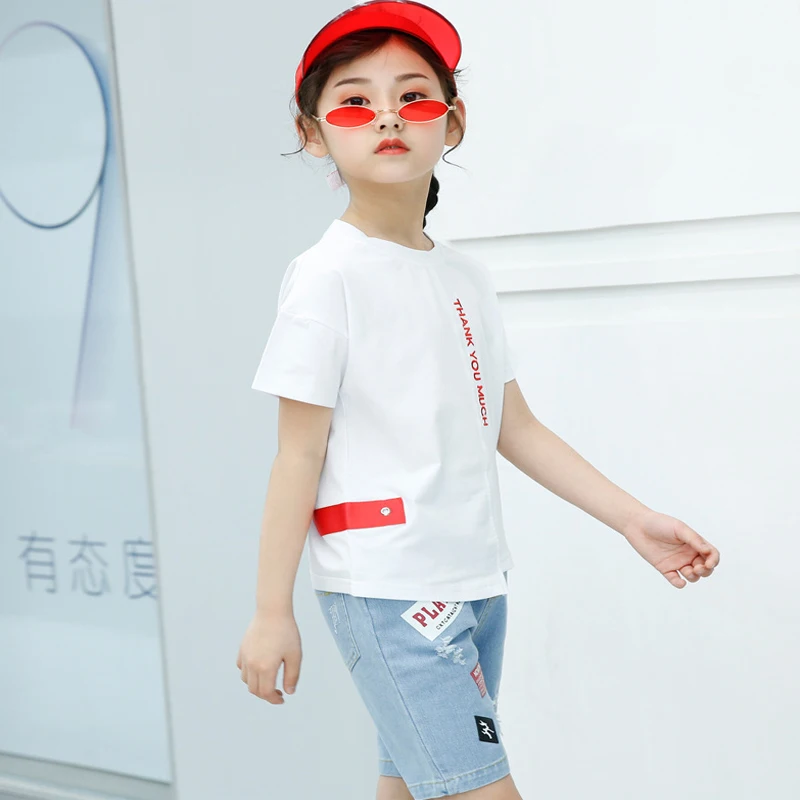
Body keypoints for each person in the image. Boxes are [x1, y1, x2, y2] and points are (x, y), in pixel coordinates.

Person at [235, 3, 721, 798]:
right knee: (479, 788)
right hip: (390, 587)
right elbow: (297, 453)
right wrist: (269, 610)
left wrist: (633, 520)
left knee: (412, 785)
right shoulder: (327, 277)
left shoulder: (464, 275)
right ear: (313, 133)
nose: (387, 115)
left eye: (413, 95)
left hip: (475, 580)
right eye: (354, 101)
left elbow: (513, 425)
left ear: (452, 122)